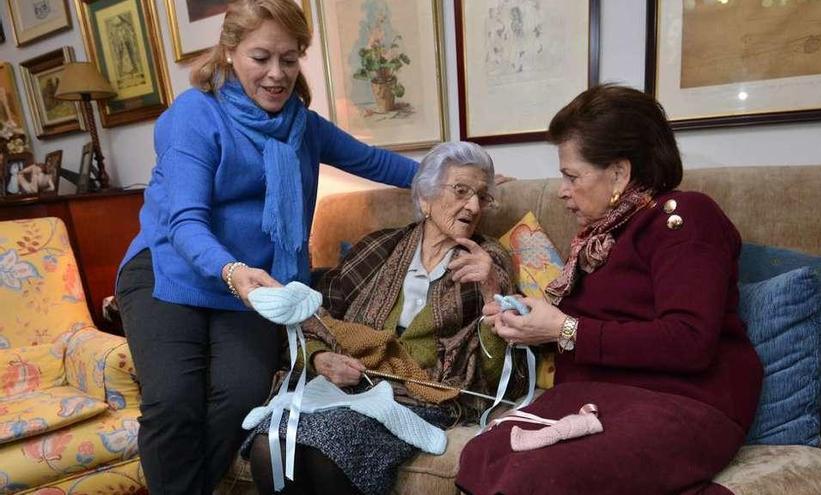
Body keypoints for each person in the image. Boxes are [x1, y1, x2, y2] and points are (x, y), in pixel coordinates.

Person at [114, 0, 420, 493]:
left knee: (240, 398)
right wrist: (232, 271)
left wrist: (453, 177)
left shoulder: (302, 125)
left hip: (252, 287)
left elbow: (379, 163)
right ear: (230, 51)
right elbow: (185, 221)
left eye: (290, 58)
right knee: (173, 401)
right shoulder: (195, 115)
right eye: (261, 58)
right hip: (170, 272)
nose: (277, 74)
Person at [455, 84, 764, 495]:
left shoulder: (685, 217)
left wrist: (564, 329)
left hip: (683, 400)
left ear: (619, 172)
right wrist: (528, 324)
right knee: (481, 457)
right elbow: (588, 333)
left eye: (571, 175)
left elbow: (690, 340)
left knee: (536, 477)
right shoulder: (597, 240)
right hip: (596, 396)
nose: (563, 189)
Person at [244, 141, 520, 495]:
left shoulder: (489, 260)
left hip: (418, 396)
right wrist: (319, 358)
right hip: (348, 385)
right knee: (269, 446)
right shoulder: (378, 248)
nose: (473, 205)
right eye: (461, 191)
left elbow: (501, 375)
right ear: (425, 198)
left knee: (323, 453)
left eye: (482, 196)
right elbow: (315, 318)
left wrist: (490, 290)